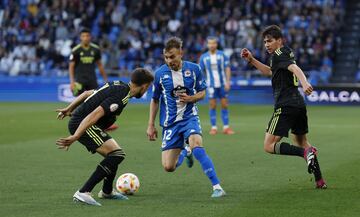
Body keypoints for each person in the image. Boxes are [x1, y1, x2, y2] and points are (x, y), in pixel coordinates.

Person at [240, 25, 327, 189]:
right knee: (302, 141)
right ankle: (319, 180)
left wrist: (305, 82)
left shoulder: (279, 54)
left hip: (285, 105)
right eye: (265, 41)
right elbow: (270, 72)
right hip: (298, 104)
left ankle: (304, 154)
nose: (266, 44)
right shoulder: (281, 55)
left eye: (270, 41)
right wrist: (251, 60)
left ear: (279, 41)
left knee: (268, 146)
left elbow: (294, 68)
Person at [56, 68, 154, 206]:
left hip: (83, 122)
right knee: (116, 155)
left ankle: (107, 192)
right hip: (83, 123)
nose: (147, 90)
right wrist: (76, 136)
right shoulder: (121, 96)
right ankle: (83, 192)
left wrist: (69, 108)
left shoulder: (119, 84)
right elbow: (94, 115)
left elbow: (87, 93)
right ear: (144, 86)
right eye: (148, 87)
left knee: (114, 154)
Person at [146, 37, 226, 198]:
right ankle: (185, 152)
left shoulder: (194, 69)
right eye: (166, 57)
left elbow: (202, 92)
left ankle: (217, 187)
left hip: (190, 117)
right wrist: (151, 124)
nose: (169, 61)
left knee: (197, 144)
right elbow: (155, 100)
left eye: (173, 57)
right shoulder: (160, 74)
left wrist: (192, 98)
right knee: (169, 167)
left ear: (181, 53)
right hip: (170, 123)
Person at [69, 28, 117, 131]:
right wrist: (72, 82)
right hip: (80, 81)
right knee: (82, 104)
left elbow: (100, 65)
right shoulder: (76, 50)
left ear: (90, 37)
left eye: (87, 36)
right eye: (83, 36)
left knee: (97, 103)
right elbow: (71, 66)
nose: (85, 38)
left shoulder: (95, 49)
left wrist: (105, 79)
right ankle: (79, 125)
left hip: (92, 80)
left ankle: (102, 125)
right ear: (80, 37)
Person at [199, 37, 234, 135]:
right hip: (211, 85)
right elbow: (200, 72)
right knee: (212, 105)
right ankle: (213, 127)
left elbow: (227, 69)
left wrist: (228, 82)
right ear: (207, 45)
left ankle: (226, 127)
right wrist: (202, 84)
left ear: (216, 44)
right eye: (210, 43)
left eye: (213, 43)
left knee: (224, 104)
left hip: (222, 84)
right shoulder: (204, 57)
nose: (211, 45)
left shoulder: (222, 55)